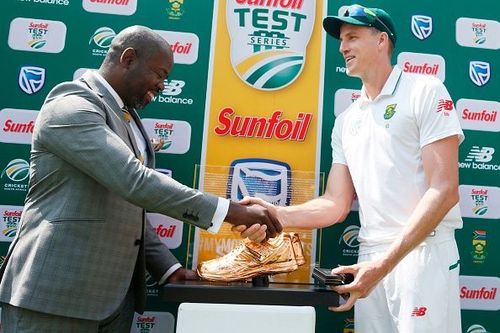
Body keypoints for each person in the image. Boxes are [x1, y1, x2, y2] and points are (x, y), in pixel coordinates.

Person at [0, 25, 281, 332]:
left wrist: (167, 268)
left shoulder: (128, 119)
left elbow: (129, 206)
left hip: (114, 304)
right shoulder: (71, 105)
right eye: (159, 74)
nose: (162, 85)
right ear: (129, 58)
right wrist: (232, 211)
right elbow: (134, 182)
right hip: (55, 299)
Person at [238, 4, 464, 332]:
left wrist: (385, 264)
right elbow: (335, 203)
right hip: (370, 257)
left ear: (382, 41)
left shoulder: (425, 91)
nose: (343, 47)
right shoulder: (347, 120)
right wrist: (275, 214)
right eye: (342, 40)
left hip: (422, 252)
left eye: (353, 37)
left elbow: (444, 190)